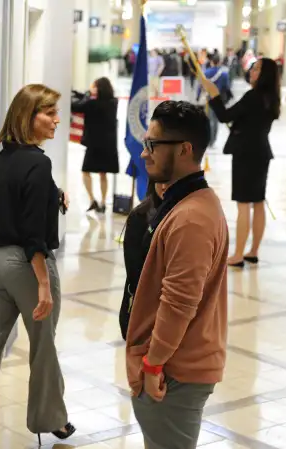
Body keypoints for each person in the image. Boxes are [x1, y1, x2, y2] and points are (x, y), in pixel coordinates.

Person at [0, 84, 75, 449]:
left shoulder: (6, 155)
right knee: (43, 346)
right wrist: (43, 284)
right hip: (27, 266)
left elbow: (19, 195)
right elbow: (32, 235)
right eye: (50, 113)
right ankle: (49, 419)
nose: (58, 119)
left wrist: (55, 196)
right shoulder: (39, 163)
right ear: (29, 116)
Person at [126, 100, 229, 449]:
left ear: (185, 149)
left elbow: (180, 302)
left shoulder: (191, 219)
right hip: (173, 365)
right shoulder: (187, 203)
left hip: (175, 371)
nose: (144, 154)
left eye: (152, 145)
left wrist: (154, 364)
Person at [200, 57, 281, 267]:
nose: (252, 71)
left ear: (265, 75)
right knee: (258, 202)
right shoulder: (271, 98)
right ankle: (252, 251)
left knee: (244, 204)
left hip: (246, 154)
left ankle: (238, 254)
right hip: (262, 152)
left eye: (256, 69)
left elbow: (225, 116)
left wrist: (214, 94)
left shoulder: (253, 96)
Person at [119, 181, 167, 341]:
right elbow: (134, 271)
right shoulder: (141, 216)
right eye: (161, 180)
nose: (165, 186)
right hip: (142, 309)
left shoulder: (185, 215)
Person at [71, 77, 120, 213]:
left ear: (98, 89)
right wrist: (84, 94)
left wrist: (85, 94)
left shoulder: (91, 104)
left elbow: (76, 105)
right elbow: (87, 100)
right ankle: (104, 202)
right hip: (109, 144)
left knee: (86, 172)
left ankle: (92, 200)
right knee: (103, 174)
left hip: (94, 144)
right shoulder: (113, 103)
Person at [195, 54, 231, 147]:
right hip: (219, 99)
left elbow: (201, 85)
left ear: (211, 62)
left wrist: (198, 96)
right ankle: (213, 140)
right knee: (215, 120)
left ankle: (208, 139)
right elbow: (227, 87)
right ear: (219, 62)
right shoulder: (224, 74)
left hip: (208, 99)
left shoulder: (206, 73)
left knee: (209, 119)